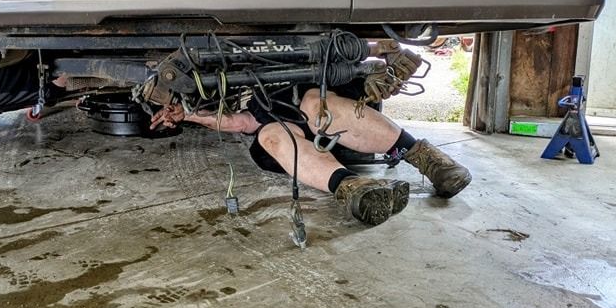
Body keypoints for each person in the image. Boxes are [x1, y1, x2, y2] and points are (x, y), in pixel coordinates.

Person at [150, 78, 472, 226]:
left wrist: (382, 72)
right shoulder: (250, 93)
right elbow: (241, 122)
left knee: (317, 105)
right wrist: (188, 114)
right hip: (291, 135)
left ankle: (432, 162)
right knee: (271, 135)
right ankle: (357, 191)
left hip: (337, 124)